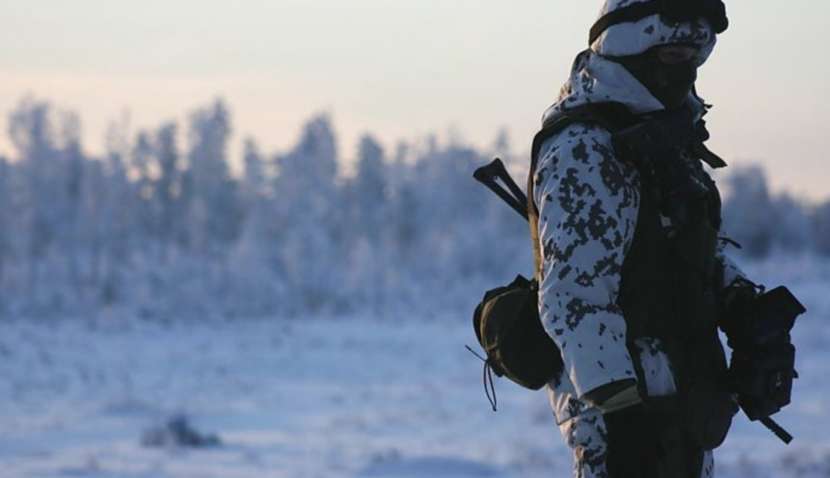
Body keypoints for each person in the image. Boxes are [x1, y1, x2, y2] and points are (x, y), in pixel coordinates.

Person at [527, 1, 753, 476]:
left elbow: (689, 249)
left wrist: (747, 309)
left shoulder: (666, 136)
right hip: (621, 418)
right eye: (673, 55)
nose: (687, 68)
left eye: (697, 53)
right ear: (630, 47)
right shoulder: (585, 148)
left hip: (680, 401)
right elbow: (574, 297)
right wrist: (622, 414)